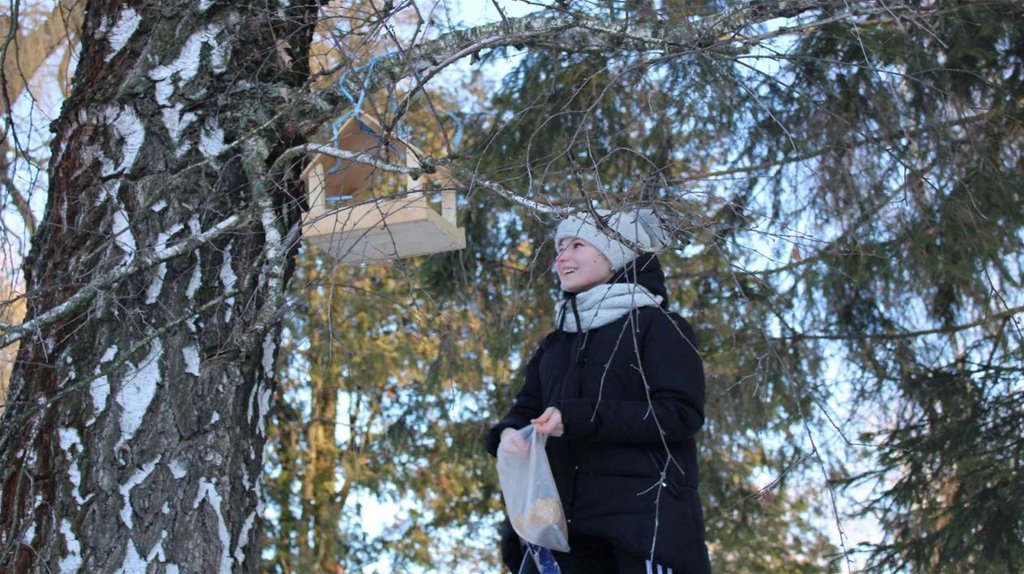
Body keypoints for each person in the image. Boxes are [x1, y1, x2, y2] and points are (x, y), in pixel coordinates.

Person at [486, 209, 712, 574]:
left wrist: (576, 417)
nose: (561, 258)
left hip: (642, 532)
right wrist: (509, 434)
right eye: (559, 248)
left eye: (577, 245)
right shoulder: (556, 343)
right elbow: (526, 408)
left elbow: (679, 414)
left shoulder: (658, 327)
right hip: (560, 537)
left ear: (615, 254)